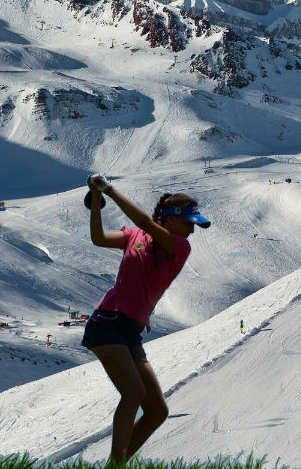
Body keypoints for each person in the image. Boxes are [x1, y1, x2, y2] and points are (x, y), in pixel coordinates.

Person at [81, 174, 210, 465]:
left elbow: (146, 224)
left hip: (131, 332)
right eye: (189, 221)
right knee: (134, 392)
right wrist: (98, 203)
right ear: (171, 218)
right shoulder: (134, 237)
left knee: (157, 411)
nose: (192, 228)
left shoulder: (179, 246)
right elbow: (99, 238)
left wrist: (108, 191)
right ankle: (116, 464)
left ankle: (120, 461)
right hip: (107, 323)